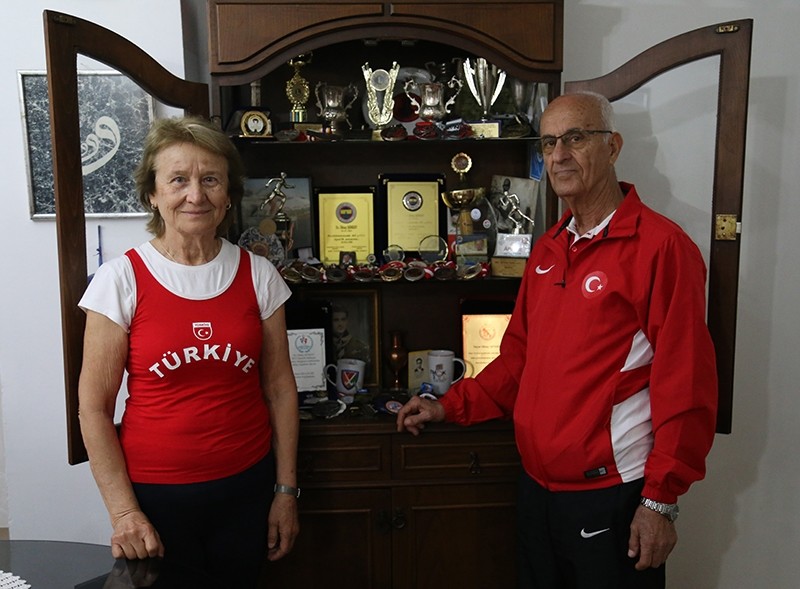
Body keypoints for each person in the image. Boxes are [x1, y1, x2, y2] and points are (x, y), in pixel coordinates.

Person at [396, 92, 717, 589]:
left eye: (575, 138)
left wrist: (660, 501)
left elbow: (688, 384)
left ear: (612, 147)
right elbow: (518, 360)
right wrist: (450, 405)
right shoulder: (548, 249)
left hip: (610, 495)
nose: (559, 154)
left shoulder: (662, 248)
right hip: (537, 493)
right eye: (549, 143)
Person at [78, 116, 300, 588]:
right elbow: (93, 410)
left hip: (247, 491)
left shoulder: (259, 275)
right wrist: (124, 513)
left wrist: (285, 490)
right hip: (156, 500)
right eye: (178, 179)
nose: (195, 195)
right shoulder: (120, 281)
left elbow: (280, 389)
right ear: (153, 194)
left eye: (210, 180)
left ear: (228, 196)